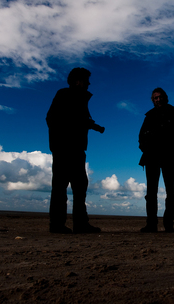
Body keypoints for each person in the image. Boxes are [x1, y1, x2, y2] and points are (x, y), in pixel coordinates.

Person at [46, 67, 105, 234]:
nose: (89, 83)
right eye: (86, 80)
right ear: (77, 81)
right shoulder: (64, 94)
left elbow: (78, 120)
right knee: (60, 186)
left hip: (76, 149)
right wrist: (62, 140)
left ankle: (79, 224)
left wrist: (92, 125)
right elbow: (53, 119)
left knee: (80, 186)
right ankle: (57, 225)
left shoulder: (78, 98)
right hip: (64, 149)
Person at [138, 88, 174, 232]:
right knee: (151, 192)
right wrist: (146, 149)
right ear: (152, 100)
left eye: (160, 97)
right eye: (155, 98)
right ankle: (151, 224)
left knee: (171, 191)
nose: (158, 99)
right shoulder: (149, 116)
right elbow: (141, 137)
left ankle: (168, 224)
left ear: (165, 98)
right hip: (152, 157)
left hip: (169, 157)